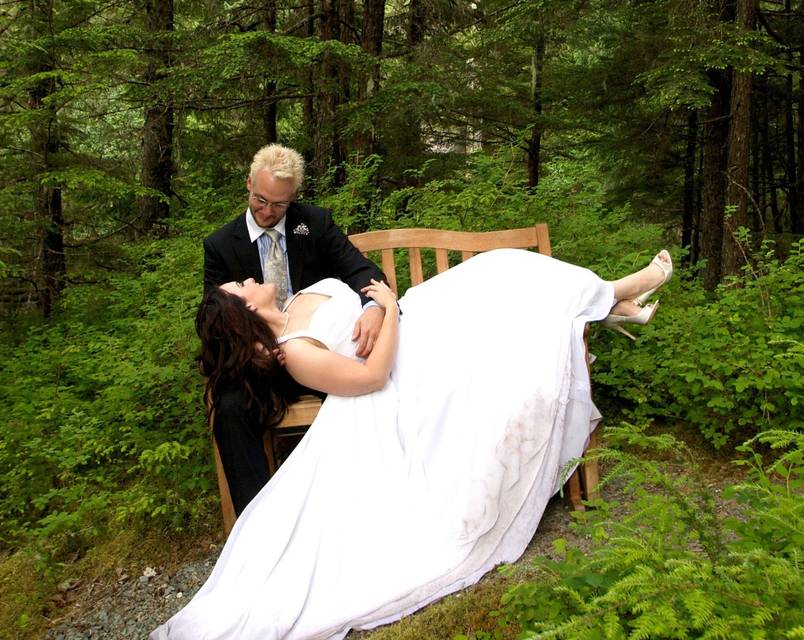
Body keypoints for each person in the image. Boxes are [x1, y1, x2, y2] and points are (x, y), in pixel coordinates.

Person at [152, 246, 673, 640]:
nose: (248, 277)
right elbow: (375, 377)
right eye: (240, 286)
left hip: (419, 318)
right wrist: (391, 311)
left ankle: (612, 300)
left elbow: (366, 294)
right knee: (501, 295)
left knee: (501, 267)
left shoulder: (300, 301)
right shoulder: (296, 352)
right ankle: (616, 298)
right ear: (242, 311)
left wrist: (384, 307)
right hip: (414, 360)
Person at [203, 143, 387, 513]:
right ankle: (256, 523)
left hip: (320, 353)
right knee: (230, 404)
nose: (268, 211)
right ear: (248, 184)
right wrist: (251, 349)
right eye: (261, 200)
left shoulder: (314, 224)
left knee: (359, 399)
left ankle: (358, 503)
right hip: (267, 361)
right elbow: (215, 317)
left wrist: (373, 308)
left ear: (293, 199)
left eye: (280, 204)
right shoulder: (221, 246)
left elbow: (360, 270)